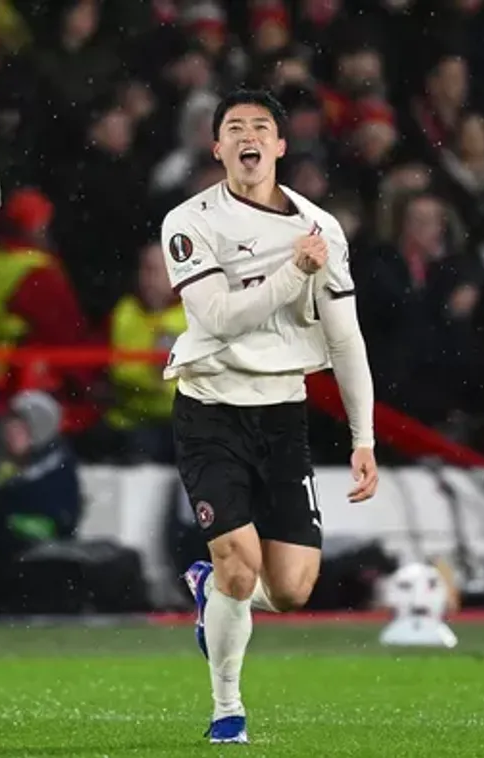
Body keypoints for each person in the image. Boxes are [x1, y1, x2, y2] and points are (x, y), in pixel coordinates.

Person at [163, 90, 378, 744]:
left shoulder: (320, 229)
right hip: (210, 409)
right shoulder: (189, 221)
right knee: (239, 562)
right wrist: (292, 272)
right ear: (217, 147)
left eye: (261, 127)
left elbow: (345, 338)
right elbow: (218, 317)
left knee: (291, 589)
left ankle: (213, 594)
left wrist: (363, 437)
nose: (248, 136)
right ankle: (226, 708)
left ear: (280, 146)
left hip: (282, 413)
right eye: (234, 128)